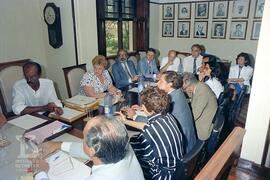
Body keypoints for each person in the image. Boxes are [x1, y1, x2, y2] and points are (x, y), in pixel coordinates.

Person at [33, 116, 144, 180]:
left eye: (84, 138)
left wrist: (40, 173)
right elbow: (98, 149)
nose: (82, 141)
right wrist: (59, 145)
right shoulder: (123, 143)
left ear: (92, 150)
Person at [116, 87, 185, 179]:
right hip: (177, 167)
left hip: (164, 175)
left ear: (144, 108)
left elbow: (133, 149)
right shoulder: (167, 116)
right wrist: (125, 121)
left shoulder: (149, 134)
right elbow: (148, 126)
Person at [157, 71, 197, 153]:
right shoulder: (177, 92)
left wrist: (135, 116)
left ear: (170, 84)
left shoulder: (170, 100)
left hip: (183, 145)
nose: (157, 83)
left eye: (160, 81)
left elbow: (157, 123)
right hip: (189, 139)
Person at [182, 72, 217, 140]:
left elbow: (194, 116)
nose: (184, 90)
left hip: (203, 128)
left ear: (190, 86)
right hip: (206, 117)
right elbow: (192, 95)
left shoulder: (202, 92)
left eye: (184, 88)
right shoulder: (199, 85)